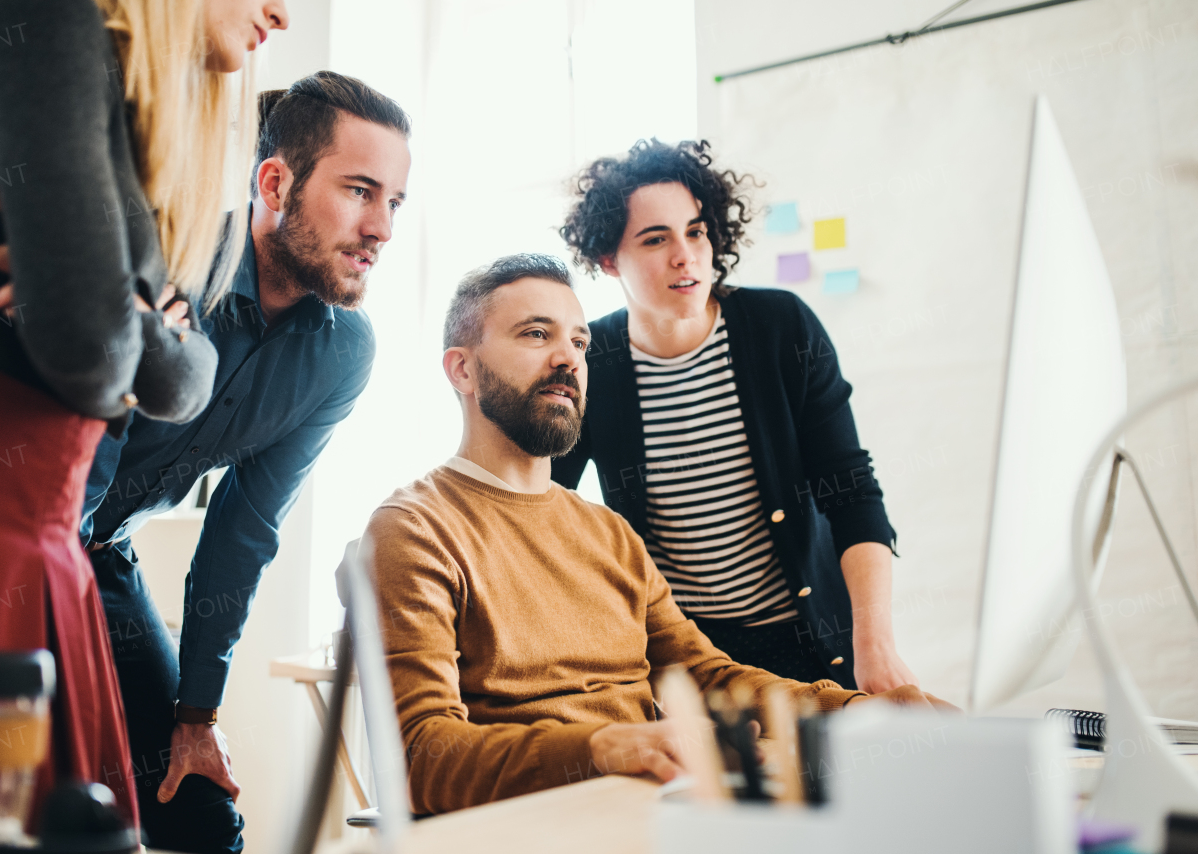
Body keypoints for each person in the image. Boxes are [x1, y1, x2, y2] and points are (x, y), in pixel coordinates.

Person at [361, 254, 952, 816]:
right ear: (462, 368)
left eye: (579, 341)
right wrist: (607, 747)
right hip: (544, 825)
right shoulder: (414, 530)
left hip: (659, 805)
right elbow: (417, 759)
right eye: (536, 334)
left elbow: (709, 676)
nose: (566, 358)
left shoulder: (607, 533)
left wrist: (858, 710)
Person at [0, 0, 286, 831]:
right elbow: (93, 353)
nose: (283, 13)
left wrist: (114, 309)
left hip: (36, 558)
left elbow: (187, 376)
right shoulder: (42, 15)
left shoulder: (115, 99)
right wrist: (120, 314)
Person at [79, 72, 411, 853]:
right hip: (15, 537)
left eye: (395, 202)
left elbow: (244, 528)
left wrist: (198, 715)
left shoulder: (343, 355)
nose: (383, 228)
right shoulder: (168, 257)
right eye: (361, 191)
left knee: (199, 812)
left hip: (102, 553)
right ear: (275, 182)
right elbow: (84, 461)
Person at [553, 140, 914, 694]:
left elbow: (852, 493)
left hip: (814, 643)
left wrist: (875, 645)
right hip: (684, 660)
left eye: (696, 231)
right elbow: (543, 508)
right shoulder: (590, 359)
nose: (686, 255)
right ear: (608, 259)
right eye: (656, 239)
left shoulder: (781, 327)